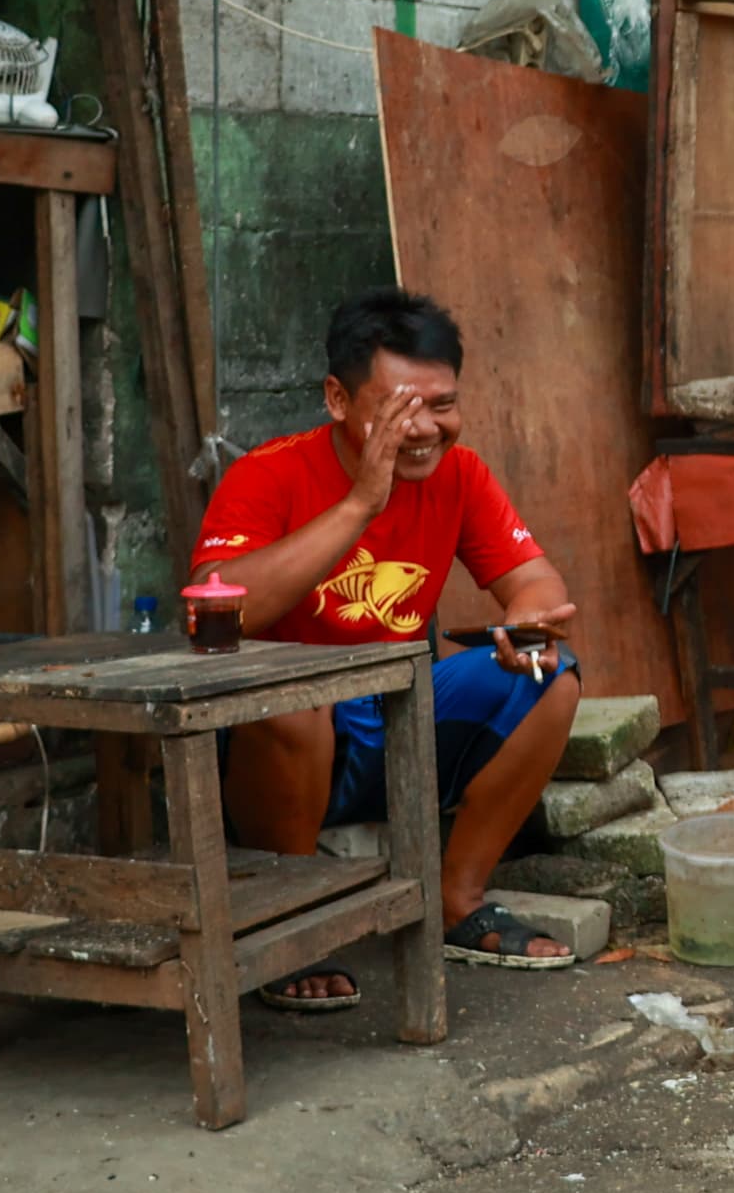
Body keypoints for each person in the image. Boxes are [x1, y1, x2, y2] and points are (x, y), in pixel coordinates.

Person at [192, 289, 583, 1007]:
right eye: (401, 408)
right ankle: (295, 923)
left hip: (400, 723)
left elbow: (535, 582)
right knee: (292, 702)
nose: (425, 429)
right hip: (287, 747)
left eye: (442, 405)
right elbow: (214, 605)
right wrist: (358, 506)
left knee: (552, 678)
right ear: (337, 399)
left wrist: (526, 628)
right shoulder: (267, 474)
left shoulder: (460, 476)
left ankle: (456, 902)